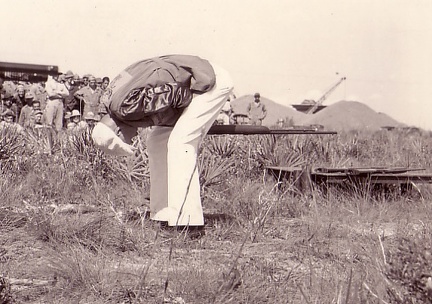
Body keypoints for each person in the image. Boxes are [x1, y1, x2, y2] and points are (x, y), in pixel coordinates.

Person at [91, 55, 233, 235]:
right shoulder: (110, 99)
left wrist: (184, 120)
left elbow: (179, 94)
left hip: (207, 84)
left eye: (127, 140)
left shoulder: (126, 107)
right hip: (196, 79)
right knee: (157, 141)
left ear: (117, 132)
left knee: (181, 142)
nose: (133, 136)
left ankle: (188, 222)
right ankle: (163, 214)